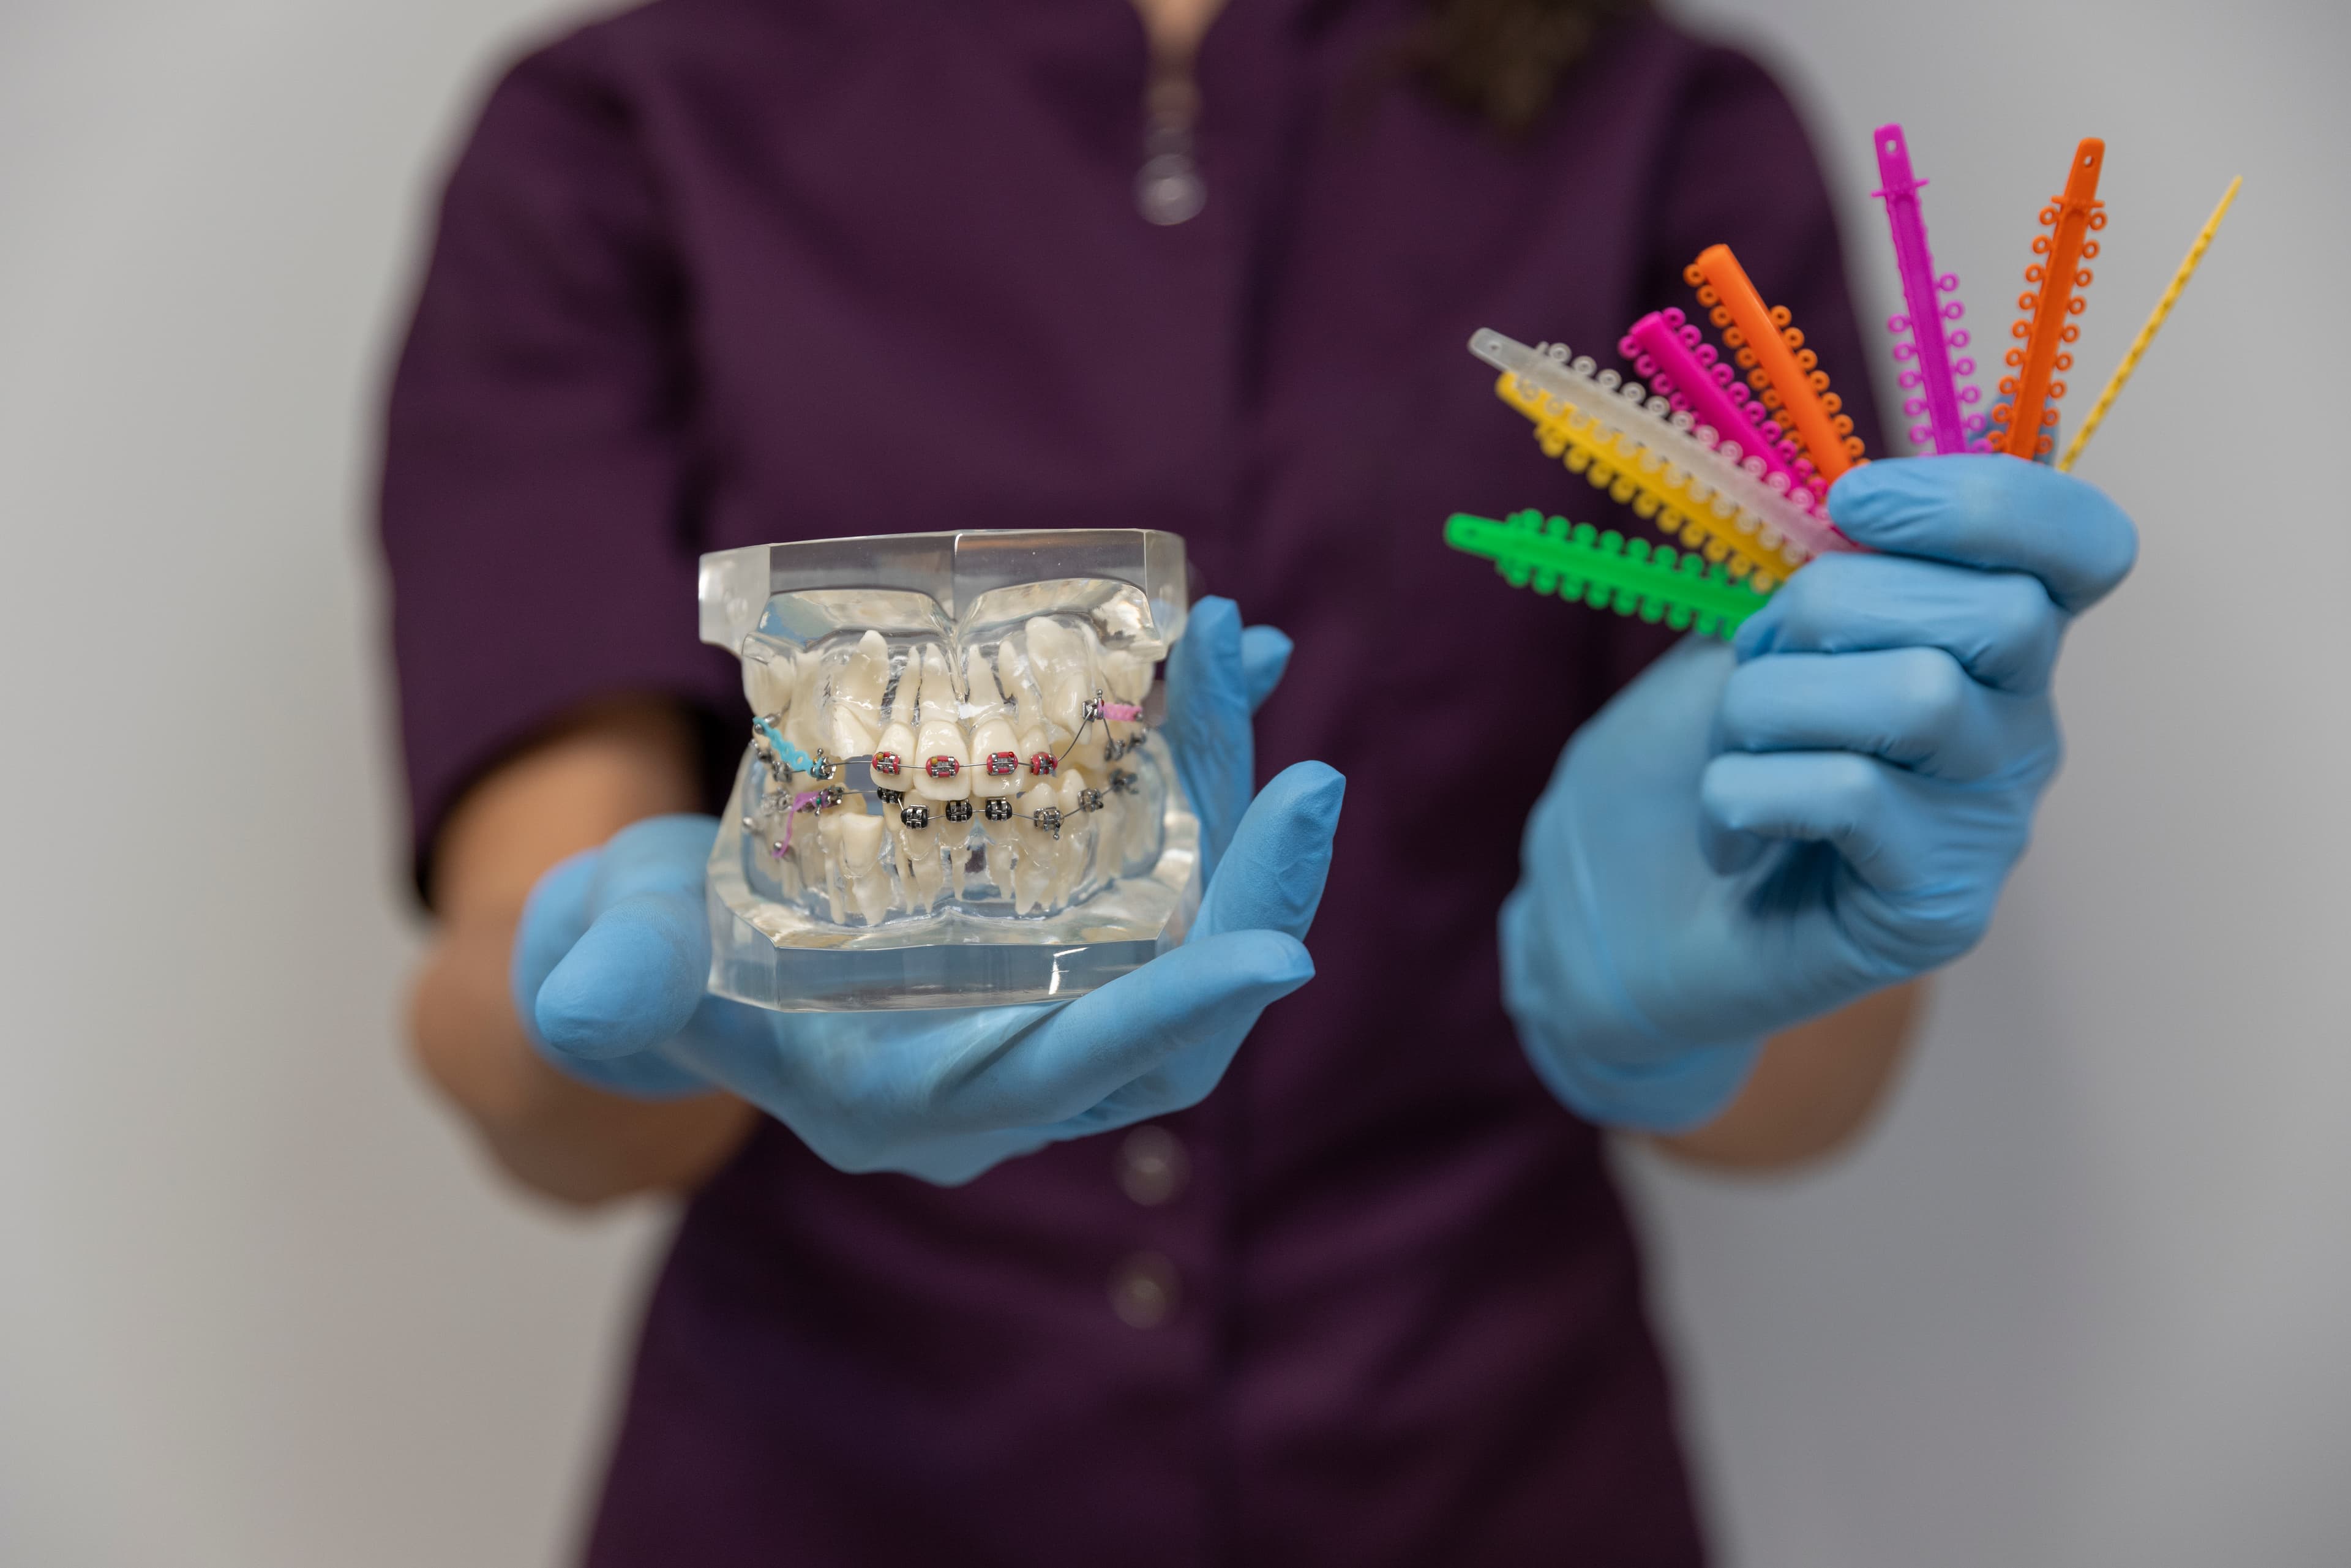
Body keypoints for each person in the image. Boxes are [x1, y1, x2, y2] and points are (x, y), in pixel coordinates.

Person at [381, 0, 2135, 1561]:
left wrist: (1724, 984)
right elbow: (534, 1021)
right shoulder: (619, 126)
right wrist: (631, 1001)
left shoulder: (1675, 133)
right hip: (816, 1485)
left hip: (1497, 1477)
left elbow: (1802, 1092)